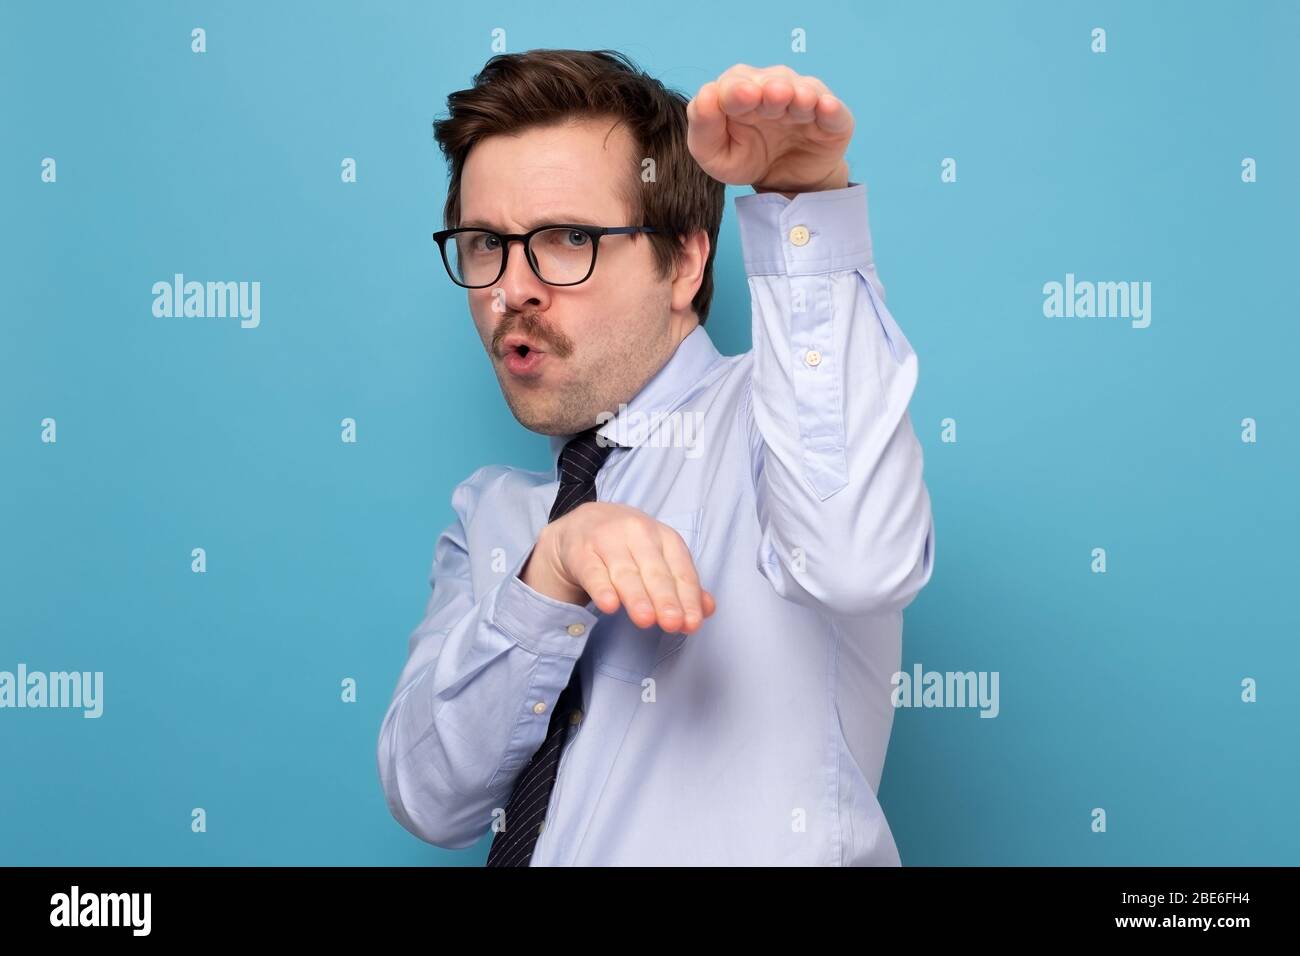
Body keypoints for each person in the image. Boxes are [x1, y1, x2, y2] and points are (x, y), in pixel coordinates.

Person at [377, 49, 935, 866]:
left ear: (684, 262)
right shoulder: (494, 517)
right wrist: (549, 574)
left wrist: (803, 202)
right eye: (485, 243)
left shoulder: (780, 423)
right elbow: (429, 799)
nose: (511, 290)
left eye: (568, 238)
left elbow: (860, 562)